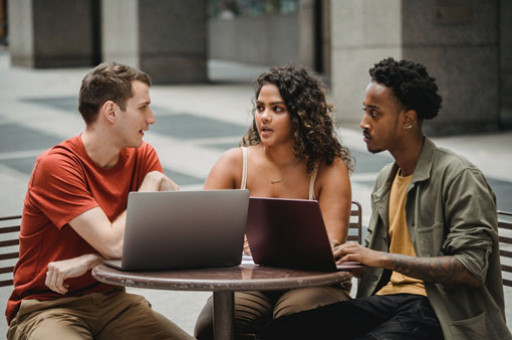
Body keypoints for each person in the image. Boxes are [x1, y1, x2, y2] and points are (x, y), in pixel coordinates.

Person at [258, 58, 512, 340]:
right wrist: (337, 257)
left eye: (375, 114)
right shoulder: (386, 179)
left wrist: (380, 258)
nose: (364, 123)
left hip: (442, 310)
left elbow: (469, 268)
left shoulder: (458, 176)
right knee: (280, 332)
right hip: (389, 302)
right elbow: (376, 263)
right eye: (365, 112)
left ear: (407, 119)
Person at [5, 62, 194, 340]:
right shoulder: (56, 166)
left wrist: (88, 261)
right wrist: (151, 185)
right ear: (111, 111)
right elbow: (115, 244)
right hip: (47, 308)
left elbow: (153, 243)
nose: (151, 118)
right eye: (143, 108)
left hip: (115, 303)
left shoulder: (143, 156)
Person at [194, 65, 354, 339]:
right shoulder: (234, 163)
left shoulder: (328, 167)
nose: (264, 117)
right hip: (252, 280)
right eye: (260, 107)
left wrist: (267, 242)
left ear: (302, 115)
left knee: (292, 320)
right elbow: (202, 231)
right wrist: (233, 242)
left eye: (277, 109)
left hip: (313, 280)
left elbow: (330, 245)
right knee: (211, 327)